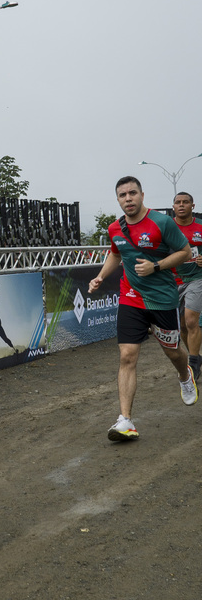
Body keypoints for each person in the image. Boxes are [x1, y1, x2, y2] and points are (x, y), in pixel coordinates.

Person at [88, 175, 197, 443]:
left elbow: (185, 252)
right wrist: (100, 276)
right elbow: (116, 254)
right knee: (127, 356)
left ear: (142, 195)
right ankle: (125, 420)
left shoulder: (162, 222)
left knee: (173, 352)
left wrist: (156, 266)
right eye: (123, 195)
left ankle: (185, 375)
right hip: (131, 297)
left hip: (162, 298)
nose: (128, 199)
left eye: (132, 193)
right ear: (118, 200)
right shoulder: (115, 228)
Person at [172, 191, 202, 381]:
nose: (181, 205)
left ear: (193, 206)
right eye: (178, 202)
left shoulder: (200, 226)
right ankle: (196, 355)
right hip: (173, 281)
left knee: (191, 321)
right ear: (173, 206)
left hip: (197, 279)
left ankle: (193, 364)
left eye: (185, 202)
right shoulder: (167, 227)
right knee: (182, 325)